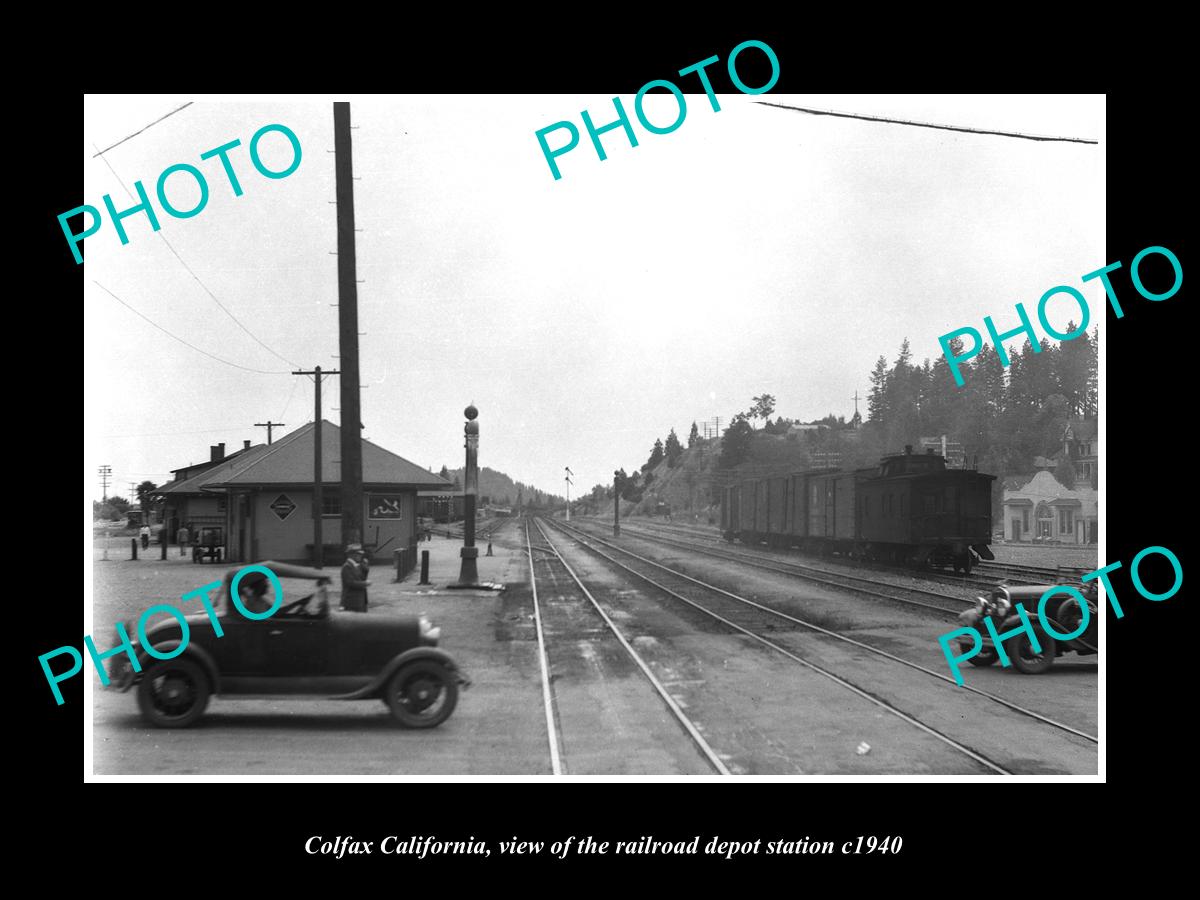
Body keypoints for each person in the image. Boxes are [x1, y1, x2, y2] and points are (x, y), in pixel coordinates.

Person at [341, 543, 371, 612]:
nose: (361, 556)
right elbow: (350, 583)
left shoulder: (357, 565)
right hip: (352, 602)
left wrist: (365, 569)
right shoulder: (347, 567)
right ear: (352, 555)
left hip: (361, 601)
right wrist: (365, 583)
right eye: (359, 554)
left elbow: (362, 578)